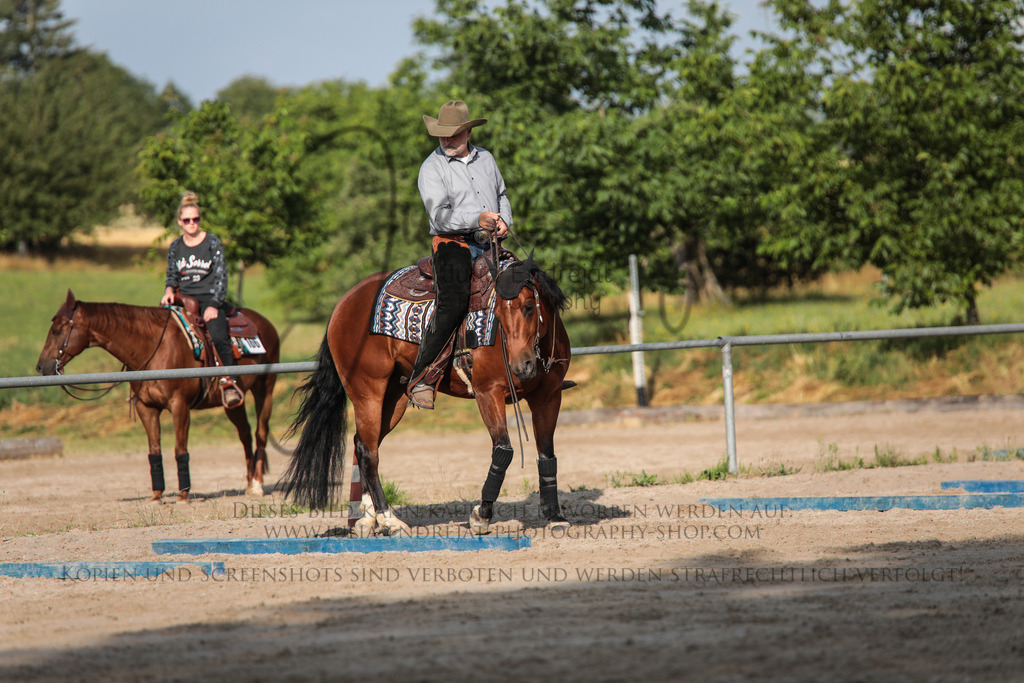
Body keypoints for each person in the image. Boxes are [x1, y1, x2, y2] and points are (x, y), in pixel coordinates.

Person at [407, 99, 512, 410]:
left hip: (489, 242)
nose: (445, 140)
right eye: (441, 134)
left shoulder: (487, 160)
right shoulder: (432, 168)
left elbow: (502, 194)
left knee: (524, 289)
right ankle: (423, 377)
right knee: (452, 302)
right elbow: (438, 216)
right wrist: (477, 218)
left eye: (452, 134)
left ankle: (536, 368)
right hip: (452, 244)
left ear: (467, 132)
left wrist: (504, 219)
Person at [159, 192, 244, 409]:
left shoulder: (212, 242)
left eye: (195, 219)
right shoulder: (175, 246)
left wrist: (215, 305)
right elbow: (171, 274)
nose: (191, 224)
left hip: (208, 299)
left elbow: (221, 276)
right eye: (186, 220)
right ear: (180, 222)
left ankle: (228, 381)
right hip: (182, 298)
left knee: (218, 333)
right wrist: (169, 290)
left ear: (200, 220)